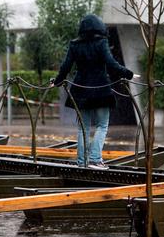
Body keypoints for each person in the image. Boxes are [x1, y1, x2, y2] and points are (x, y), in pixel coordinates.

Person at [52, 14, 138, 169]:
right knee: (102, 125)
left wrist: (57, 81)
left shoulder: (74, 44)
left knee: (83, 128)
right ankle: (95, 160)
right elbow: (111, 64)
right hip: (100, 90)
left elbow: (66, 66)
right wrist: (129, 74)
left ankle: (82, 162)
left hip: (80, 90)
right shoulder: (101, 42)